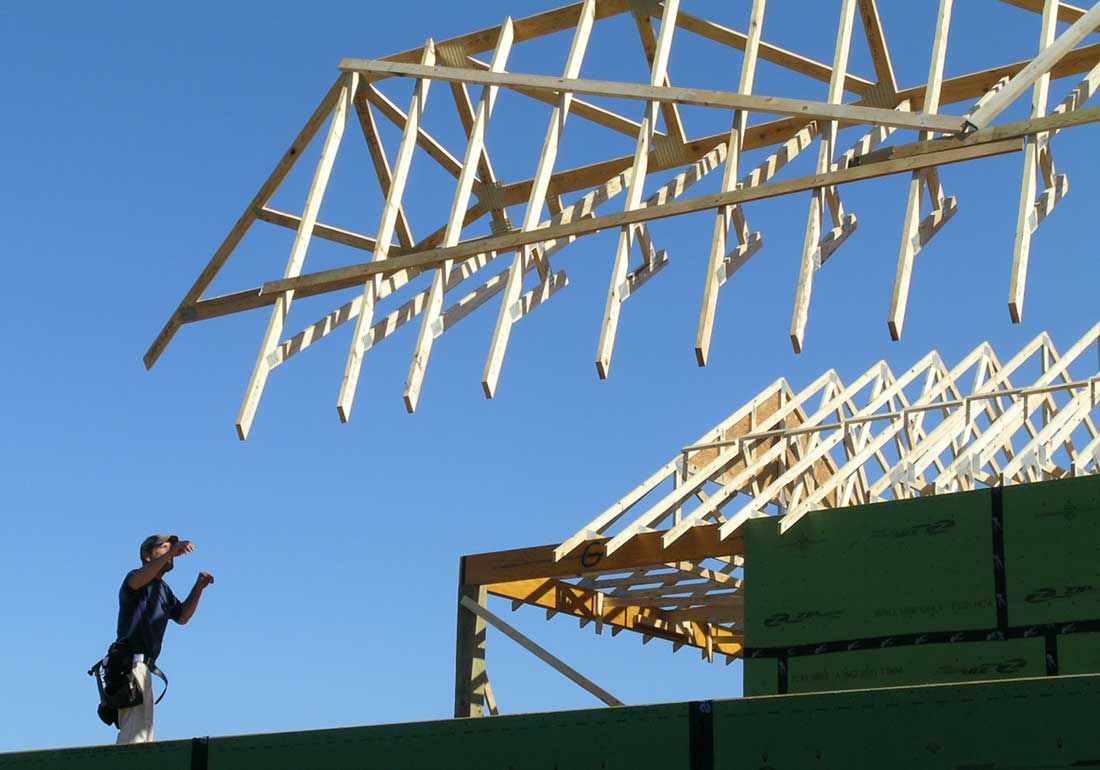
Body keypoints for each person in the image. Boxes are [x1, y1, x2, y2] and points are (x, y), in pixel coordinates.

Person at [114, 534, 214, 744]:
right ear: (147, 556)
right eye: (165, 546)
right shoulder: (135, 577)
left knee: (144, 738)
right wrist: (172, 551)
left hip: (144, 669)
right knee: (134, 739)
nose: (173, 550)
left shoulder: (163, 589)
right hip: (129, 666)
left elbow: (183, 616)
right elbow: (138, 580)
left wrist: (199, 587)